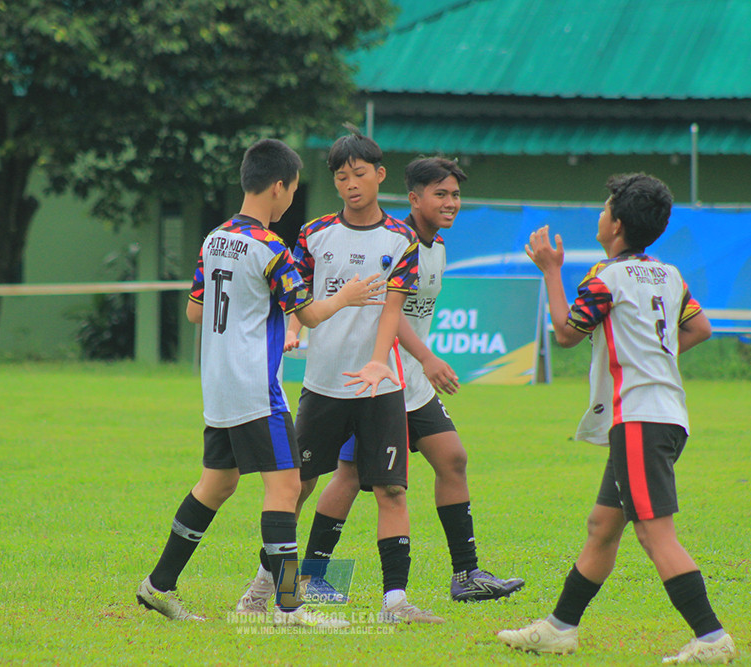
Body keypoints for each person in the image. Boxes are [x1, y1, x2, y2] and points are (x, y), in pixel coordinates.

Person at [135, 138, 385, 627]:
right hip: (255, 387)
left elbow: (194, 311)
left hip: (218, 385)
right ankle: (289, 607)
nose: (291, 197)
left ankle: (158, 586)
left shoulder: (214, 239)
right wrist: (348, 296)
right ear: (279, 187)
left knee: (217, 484)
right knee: (286, 487)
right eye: (293, 189)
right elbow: (308, 314)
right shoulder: (271, 247)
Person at [497, 173, 738, 664]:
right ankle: (560, 629)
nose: (601, 214)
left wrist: (550, 270)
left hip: (640, 421)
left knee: (654, 534)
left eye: (606, 208)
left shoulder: (606, 278)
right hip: (664, 416)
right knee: (602, 527)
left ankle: (712, 638)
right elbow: (700, 328)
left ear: (617, 224)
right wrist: (653, 358)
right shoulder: (668, 275)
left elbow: (566, 333)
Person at [236, 127, 444, 624]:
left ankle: (395, 603)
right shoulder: (314, 234)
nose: (351, 184)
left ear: (380, 175)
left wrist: (378, 361)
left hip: (380, 388)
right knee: (296, 488)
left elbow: (392, 308)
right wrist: (292, 329)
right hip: (323, 386)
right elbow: (298, 296)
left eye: (359, 174)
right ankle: (265, 588)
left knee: (392, 490)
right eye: (341, 177)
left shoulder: (401, 240)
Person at [300, 156, 525, 602]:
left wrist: (421, 363)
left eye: (455, 194)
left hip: (410, 384)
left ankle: (466, 575)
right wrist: (427, 357)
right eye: (440, 194)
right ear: (414, 199)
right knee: (348, 478)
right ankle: (309, 579)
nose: (451, 202)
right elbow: (389, 309)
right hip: (376, 380)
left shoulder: (436, 246)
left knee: (452, 459)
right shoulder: (393, 241)